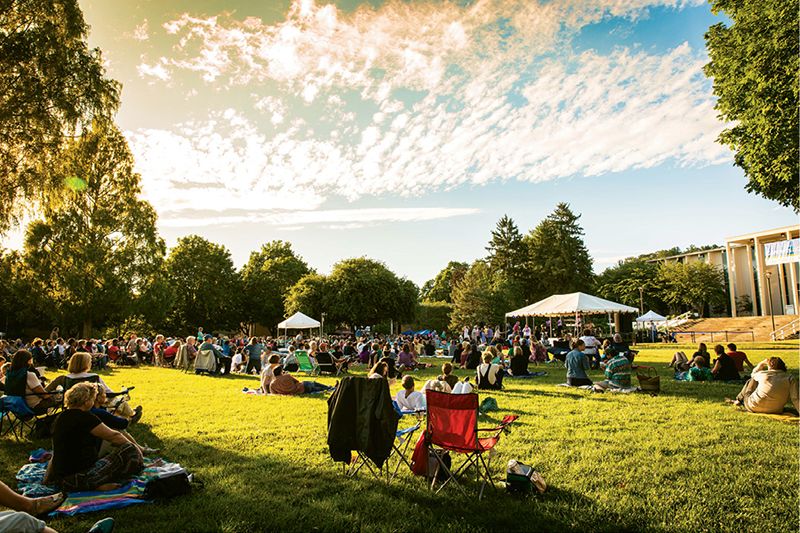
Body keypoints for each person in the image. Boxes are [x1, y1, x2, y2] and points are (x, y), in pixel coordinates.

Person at [44, 383, 144, 492]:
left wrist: (46, 480)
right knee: (129, 450)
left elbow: (56, 452)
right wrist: (136, 450)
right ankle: (97, 485)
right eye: (92, 399)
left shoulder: (60, 417)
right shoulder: (86, 417)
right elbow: (114, 436)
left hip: (63, 481)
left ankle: (95, 484)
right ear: (87, 401)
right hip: (83, 477)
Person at [731, 357, 799, 414]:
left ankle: (738, 400)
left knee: (752, 380)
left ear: (770, 366)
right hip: (776, 409)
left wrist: (761, 363)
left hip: (753, 406)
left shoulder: (762, 374)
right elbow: (795, 398)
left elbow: (753, 374)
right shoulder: (790, 378)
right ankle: (739, 400)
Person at [2, 350, 59, 414]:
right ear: (28, 361)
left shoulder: (9, 376)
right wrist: (55, 394)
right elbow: (43, 395)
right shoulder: (28, 375)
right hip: (36, 407)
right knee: (61, 395)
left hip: (19, 408)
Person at [268, 366, 333, 395]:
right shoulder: (287, 376)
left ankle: (329, 388)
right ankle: (329, 387)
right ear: (280, 372)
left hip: (300, 392)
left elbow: (274, 394)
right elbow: (297, 381)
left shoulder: (272, 384)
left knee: (316, 389)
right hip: (302, 387)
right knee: (314, 384)